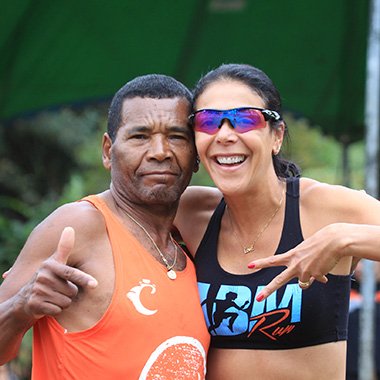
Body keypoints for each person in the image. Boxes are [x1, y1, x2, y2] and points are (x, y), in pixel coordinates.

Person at [173, 63, 380, 379]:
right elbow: (110, 219)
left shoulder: (325, 207)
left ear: (276, 136)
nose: (225, 134)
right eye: (208, 121)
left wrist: (342, 238)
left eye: (245, 120)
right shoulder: (189, 212)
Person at [0, 74, 210, 379]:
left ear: (196, 155)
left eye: (177, 137)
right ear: (108, 150)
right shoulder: (80, 225)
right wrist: (21, 307)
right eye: (140, 136)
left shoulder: (189, 242)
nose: (160, 151)